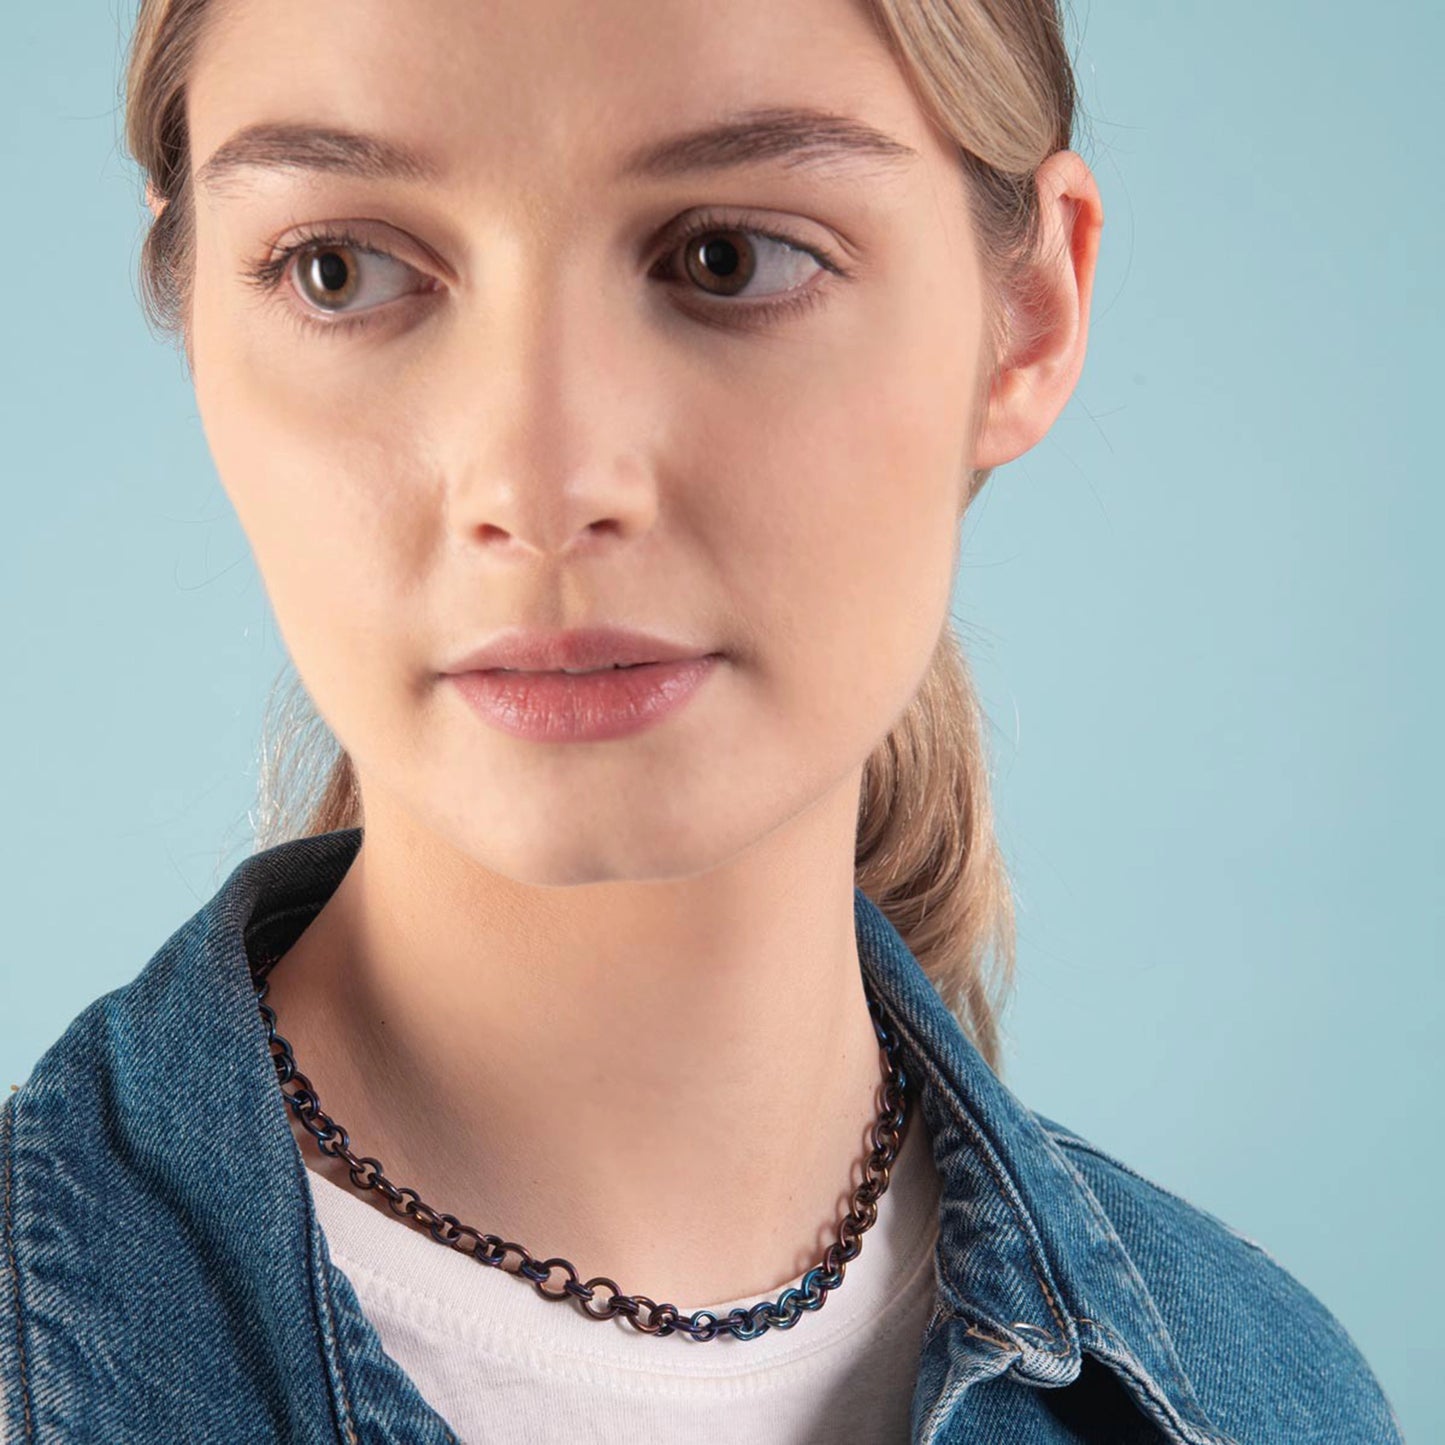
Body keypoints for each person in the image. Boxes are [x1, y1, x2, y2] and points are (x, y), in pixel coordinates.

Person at [0, 0, 1405, 1441]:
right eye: (340, 268)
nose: (541, 484)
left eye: (726, 258)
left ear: (1028, 313)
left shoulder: (1265, 1397)